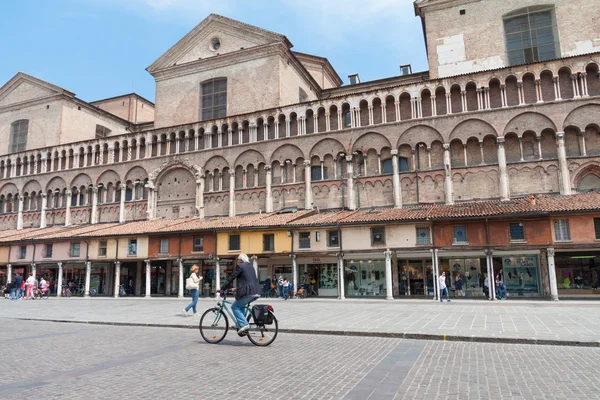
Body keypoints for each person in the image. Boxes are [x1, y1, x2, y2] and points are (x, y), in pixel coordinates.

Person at [219, 253, 262, 335]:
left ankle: (244, 324)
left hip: (249, 292)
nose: (237, 261)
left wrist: (222, 288)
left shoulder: (240, 266)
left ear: (241, 260)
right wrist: (235, 289)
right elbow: (248, 280)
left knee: (235, 306)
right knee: (240, 305)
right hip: (256, 291)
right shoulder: (251, 267)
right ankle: (240, 324)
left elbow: (231, 278)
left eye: (237, 259)